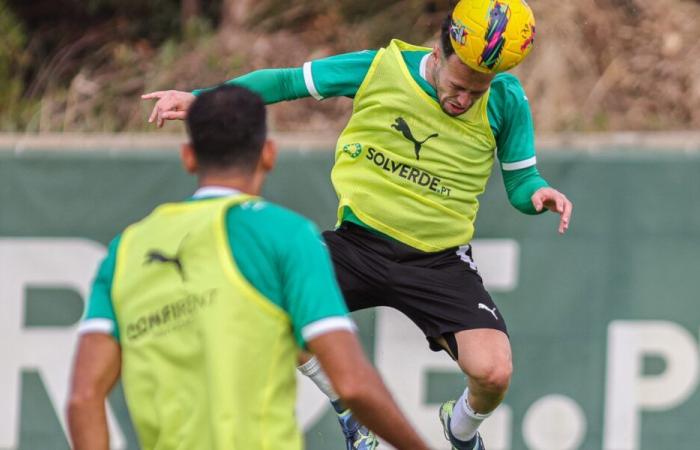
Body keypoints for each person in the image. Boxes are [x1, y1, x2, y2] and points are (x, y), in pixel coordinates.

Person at [142, 1, 574, 449]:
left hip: (439, 261)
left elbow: (521, 179)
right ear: (440, 51)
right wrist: (203, 99)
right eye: (458, 85)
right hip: (358, 245)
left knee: (494, 372)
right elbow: (288, 81)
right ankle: (350, 414)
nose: (463, 100)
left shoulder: (506, 98)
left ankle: (461, 429)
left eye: (476, 92)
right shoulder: (380, 68)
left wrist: (538, 195)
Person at [67, 85, 431, 450]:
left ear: (189, 157)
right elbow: (352, 384)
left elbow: (84, 396)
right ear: (268, 154)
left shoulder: (128, 247)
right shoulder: (287, 235)